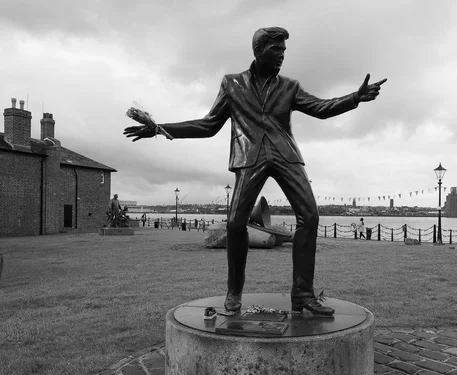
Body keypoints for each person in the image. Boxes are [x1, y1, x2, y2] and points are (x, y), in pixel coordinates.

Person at [124, 27, 386, 315]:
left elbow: (320, 108)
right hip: (249, 157)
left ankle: (303, 296)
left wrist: (354, 98)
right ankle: (234, 292)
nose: (282, 56)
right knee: (236, 223)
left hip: (286, 156)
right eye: (276, 50)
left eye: (284, 51)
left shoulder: (290, 87)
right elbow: (209, 125)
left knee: (310, 216)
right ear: (259, 51)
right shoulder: (232, 84)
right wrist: (161, 129)